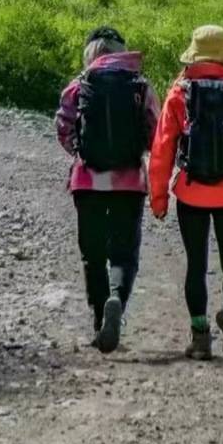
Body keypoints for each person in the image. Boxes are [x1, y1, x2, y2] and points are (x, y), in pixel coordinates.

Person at [149, 24, 223, 361]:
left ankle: (200, 337)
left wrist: (158, 198)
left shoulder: (179, 93)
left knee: (195, 266)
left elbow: (161, 150)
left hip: (191, 194)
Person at [56, 24, 159, 353]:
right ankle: (117, 299)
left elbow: (63, 127)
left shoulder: (78, 86)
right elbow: (156, 131)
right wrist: (136, 151)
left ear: (89, 54)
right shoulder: (140, 86)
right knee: (124, 254)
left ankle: (100, 319)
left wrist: (81, 154)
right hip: (129, 182)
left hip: (87, 182)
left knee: (93, 254)